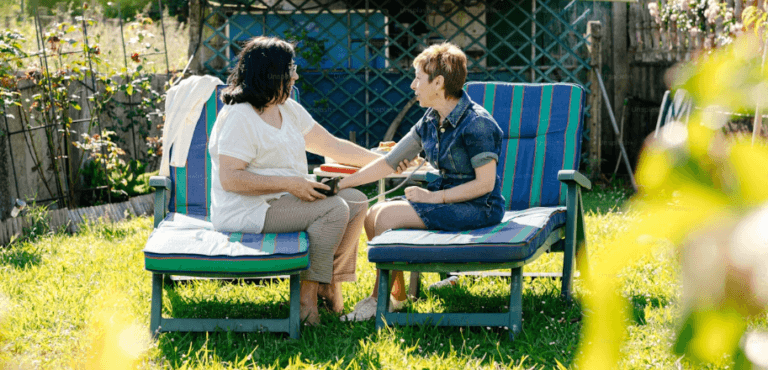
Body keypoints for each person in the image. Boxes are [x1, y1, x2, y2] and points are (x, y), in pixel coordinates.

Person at [208, 36, 410, 325]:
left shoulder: (287, 108)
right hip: (247, 209)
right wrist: (291, 183)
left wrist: (388, 163)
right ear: (273, 72)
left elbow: (334, 147)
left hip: (281, 200)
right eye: (291, 68)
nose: (296, 75)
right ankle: (307, 297)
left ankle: (329, 284)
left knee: (356, 201)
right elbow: (231, 179)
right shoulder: (239, 116)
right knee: (334, 209)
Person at [337, 42, 506, 321]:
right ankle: (396, 297)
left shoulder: (477, 124)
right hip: (449, 198)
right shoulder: (430, 119)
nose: (413, 85)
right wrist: (343, 183)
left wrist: (432, 198)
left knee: (386, 216)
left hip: (479, 207)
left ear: (438, 82)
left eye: (418, 78)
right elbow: (389, 162)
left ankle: (379, 300)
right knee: (373, 215)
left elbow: (484, 185)